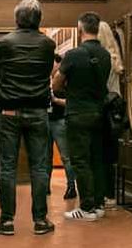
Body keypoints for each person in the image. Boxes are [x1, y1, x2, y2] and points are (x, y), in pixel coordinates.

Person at [0, 0, 56, 236]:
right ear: (39, 19)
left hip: (9, 111)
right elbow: (47, 71)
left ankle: (6, 221)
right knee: (39, 167)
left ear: (17, 18)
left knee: (7, 167)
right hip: (38, 111)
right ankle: (40, 220)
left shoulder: (4, 43)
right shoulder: (48, 44)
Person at [53, 12, 111, 221]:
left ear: (80, 29)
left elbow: (56, 84)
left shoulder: (73, 55)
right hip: (99, 112)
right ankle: (98, 204)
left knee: (80, 160)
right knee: (97, 158)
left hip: (77, 112)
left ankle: (86, 208)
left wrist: (70, 87)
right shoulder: (105, 55)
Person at [97, 21, 125, 210]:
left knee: (99, 153)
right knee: (110, 154)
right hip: (115, 110)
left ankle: (103, 194)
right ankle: (110, 194)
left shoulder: (102, 58)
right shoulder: (115, 58)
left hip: (103, 109)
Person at [48, 53, 77, 200]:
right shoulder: (43, 79)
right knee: (45, 156)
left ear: (58, 64)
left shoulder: (65, 80)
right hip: (45, 120)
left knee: (66, 156)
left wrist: (55, 100)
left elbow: (72, 102)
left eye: (52, 63)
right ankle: (44, 186)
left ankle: (71, 186)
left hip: (59, 120)